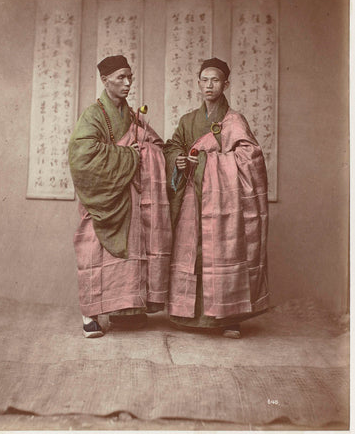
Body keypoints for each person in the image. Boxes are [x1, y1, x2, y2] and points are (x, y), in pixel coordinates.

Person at [164, 57, 269, 338]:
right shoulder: (188, 120)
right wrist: (179, 161)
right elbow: (173, 146)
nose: (209, 85)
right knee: (191, 252)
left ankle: (229, 317)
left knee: (223, 252)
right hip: (191, 198)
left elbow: (250, 157)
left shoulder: (234, 121)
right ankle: (188, 314)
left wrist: (208, 164)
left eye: (215, 80)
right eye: (204, 80)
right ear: (198, 83)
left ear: (225, 84)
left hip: (223, 201)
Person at [69, 55, 171, 337]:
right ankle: (89, 314)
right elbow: (82, 157)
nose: (127, 83)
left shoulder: (132, 115)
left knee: (130, 256)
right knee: (93, 249)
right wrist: (128, 155)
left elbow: (155, 145)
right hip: (104, 197)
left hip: (132, 197)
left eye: (130, 77)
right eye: (120, 78)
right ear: (105, 81)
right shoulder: (93, 115)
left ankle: (125, 312)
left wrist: (147, 152)